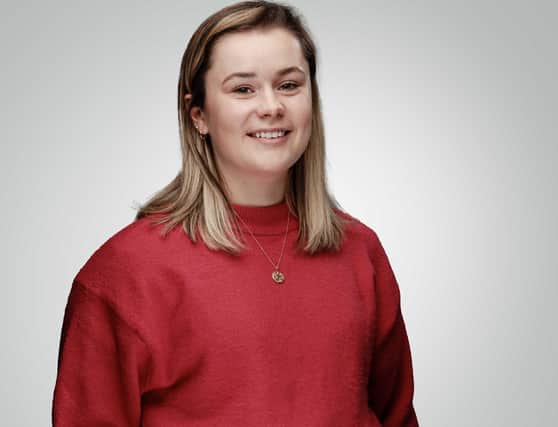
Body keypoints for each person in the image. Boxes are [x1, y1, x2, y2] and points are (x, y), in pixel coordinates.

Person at [52, 1, 419, 425]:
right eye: (243, 89)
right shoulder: (128, 272)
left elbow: (396, 417)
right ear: (199, 115)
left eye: (289, 85)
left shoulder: (361, 252)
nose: (271, 106)